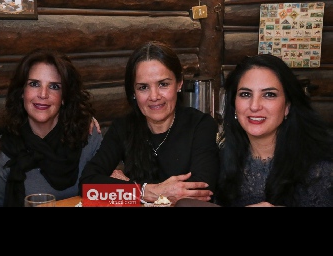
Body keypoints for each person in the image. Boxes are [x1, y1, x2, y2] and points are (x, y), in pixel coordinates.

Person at [78, 41, 220, 205]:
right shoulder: (123, 127)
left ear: (179, 83)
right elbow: (88, 185)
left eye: (163, 84)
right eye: (143, 87)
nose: (154, 96)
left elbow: (201, 192)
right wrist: (146, 191)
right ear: (133, 91)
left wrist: (127, 186)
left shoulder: (200, 125)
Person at [0, 48, 102, 207]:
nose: (43, 94)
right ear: (22, 92)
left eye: (54, 86)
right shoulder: (2, 150)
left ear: (64, 97)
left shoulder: (88, 137)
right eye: (34, 84)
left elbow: (111, 194)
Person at [215, 54, 333, 207]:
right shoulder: (218, 159)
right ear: (234, 105)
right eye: (245, 94)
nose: (255, 106)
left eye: (269, 95)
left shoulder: (323, 166)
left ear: (287, 106)